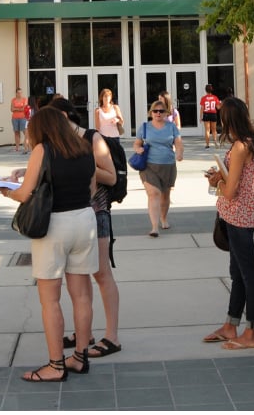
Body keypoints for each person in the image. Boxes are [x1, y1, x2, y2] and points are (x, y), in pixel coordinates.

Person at [2, 107, 97, 381]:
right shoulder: (83, 147)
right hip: (84, 220)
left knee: (50, 300)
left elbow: (25, 193)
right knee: (81, 296)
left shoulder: (43, 150)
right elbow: (92, 189)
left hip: (54, 225)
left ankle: (55, 365)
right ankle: (80, 357)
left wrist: (6, 190)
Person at [45, 98, 121, 359]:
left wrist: (82, 165)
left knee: (101, 273)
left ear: (67, 116)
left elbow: (110, 176)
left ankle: (112, 336)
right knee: (78, 278)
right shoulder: (57, 142)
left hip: (96, 213)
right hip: (71, 215)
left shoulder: (92, 138)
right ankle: (84, 333)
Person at [202, 97, 254, 350]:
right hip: (240, 214)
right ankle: (231, 324)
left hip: (239, 214)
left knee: (247, 273)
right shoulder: (249, 142)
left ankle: (251, 332)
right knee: (238, 273)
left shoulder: (241, 146)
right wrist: (221, 175)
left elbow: (230, 191)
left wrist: (216, 182)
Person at [133, 99, 183, 236]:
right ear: (151, 113)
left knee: (165, 196)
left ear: (166, 113)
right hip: (149, 166)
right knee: (153, 194)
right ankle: (154, 227)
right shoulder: (144, 127)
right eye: (155, 111)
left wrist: (179, 153)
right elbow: (136, 144)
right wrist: (138, 149)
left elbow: (178, 142)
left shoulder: (171, 126)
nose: (158, 113)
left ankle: (164, 218)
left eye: (161, 111)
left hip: (168, 165)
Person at [200, 84, 221, 148]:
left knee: (207, 130)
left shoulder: (203, 98)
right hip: (213, 114)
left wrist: (200, 117)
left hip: (206, 114)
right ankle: (215, 142)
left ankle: (207, 144)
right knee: (214, 130)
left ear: (205, 90)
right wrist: (220, 103)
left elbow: (202, 108)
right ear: (212, 90)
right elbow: (218, 107)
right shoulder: (215, 97)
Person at [10, 88, 29, 152]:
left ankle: (28, 146)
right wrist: (19, 108)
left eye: (20, 93)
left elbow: (24, 109)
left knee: (25, 132)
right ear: (16, 93)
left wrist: (16, 109)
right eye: (18, 93)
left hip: (23, 117)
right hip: (14, 118)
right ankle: (17, 147)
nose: (19, 94)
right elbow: (12, 109)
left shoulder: (24, 99)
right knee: (16, 132)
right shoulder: (13, 100)